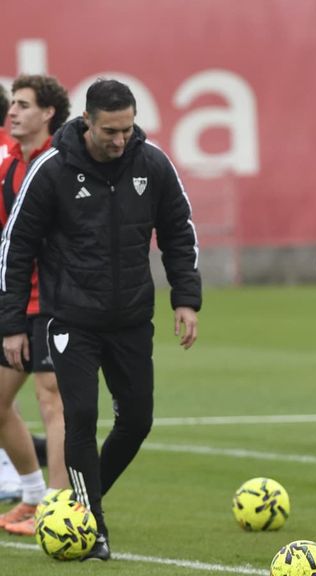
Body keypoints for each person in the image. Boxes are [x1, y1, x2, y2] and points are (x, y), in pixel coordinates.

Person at [0, 78, 201, 561]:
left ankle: (78, 502)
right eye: (110, 130)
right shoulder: (52, 169)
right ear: (87, 121)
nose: (120, 140)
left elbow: (179, 230)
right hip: (69, 319)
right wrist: (10, 323)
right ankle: (93, 529)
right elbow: (16, 245)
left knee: (136, 421)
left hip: (132, 319)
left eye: (128, 129)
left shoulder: (151, 163)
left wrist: (186, 298)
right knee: (81, 419)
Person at [0, 74, 71, 537]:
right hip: (18, 302)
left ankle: (58, 509)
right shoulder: (11, 167)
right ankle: (31, 492)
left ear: (48, 113)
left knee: (53, 400)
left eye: (23, 105)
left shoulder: (60, 165)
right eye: (13, 105)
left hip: (54, 300)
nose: (13, 111)